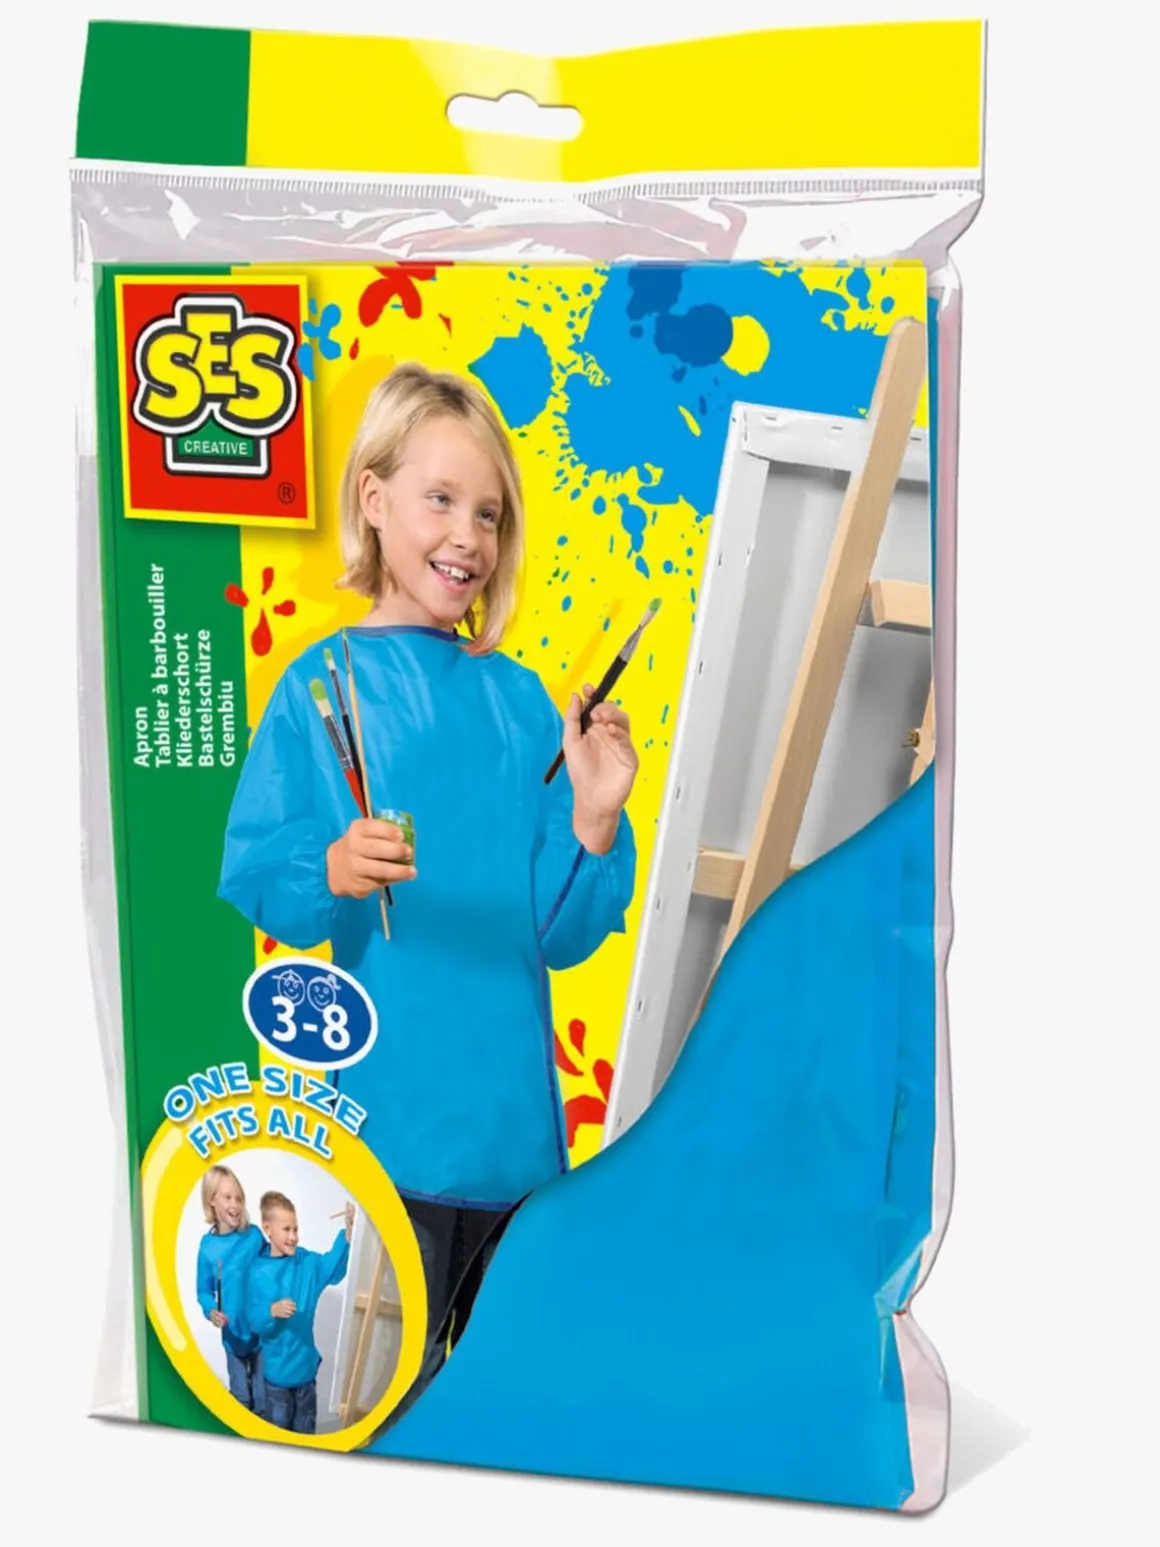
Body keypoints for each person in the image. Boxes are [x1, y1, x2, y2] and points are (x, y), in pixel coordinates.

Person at [219, 363, 639, 1415]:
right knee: (379, 1402)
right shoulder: (321, 684)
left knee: (506, 1405)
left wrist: (593, 819)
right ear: (373, 498)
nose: (467, 536)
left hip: (515, 1139)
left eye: (488, 513)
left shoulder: (519, 701)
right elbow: (256, 869)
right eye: (440, 499)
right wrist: (326, 868)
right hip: (387, 1129)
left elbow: (557, 930)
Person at [247, 1192, 354, 1435]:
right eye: (286, 1229)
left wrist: (347, 1234)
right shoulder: (257, 1272)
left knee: (305, 1440)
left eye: (295, 1229)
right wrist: (271, 1311)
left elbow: (332, 1268)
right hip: (276, 1382)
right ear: (267, 1229)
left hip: (306, 1376)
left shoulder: (305, 1262)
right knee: (278, 1442)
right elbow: (253, 1320)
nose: (293, 1237)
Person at [195, 1164, 266, 1412]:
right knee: (241, 1399)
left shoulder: (254, 1236)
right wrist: (211, 1311)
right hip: (233, 1337)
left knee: (263, 1401)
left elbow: (275, 1266)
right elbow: (204, 1291)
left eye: (239, 1198)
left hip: (262, 1333)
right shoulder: (208, 1247)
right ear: (211, 1200)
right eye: (227, 1197)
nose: (235, 1205)